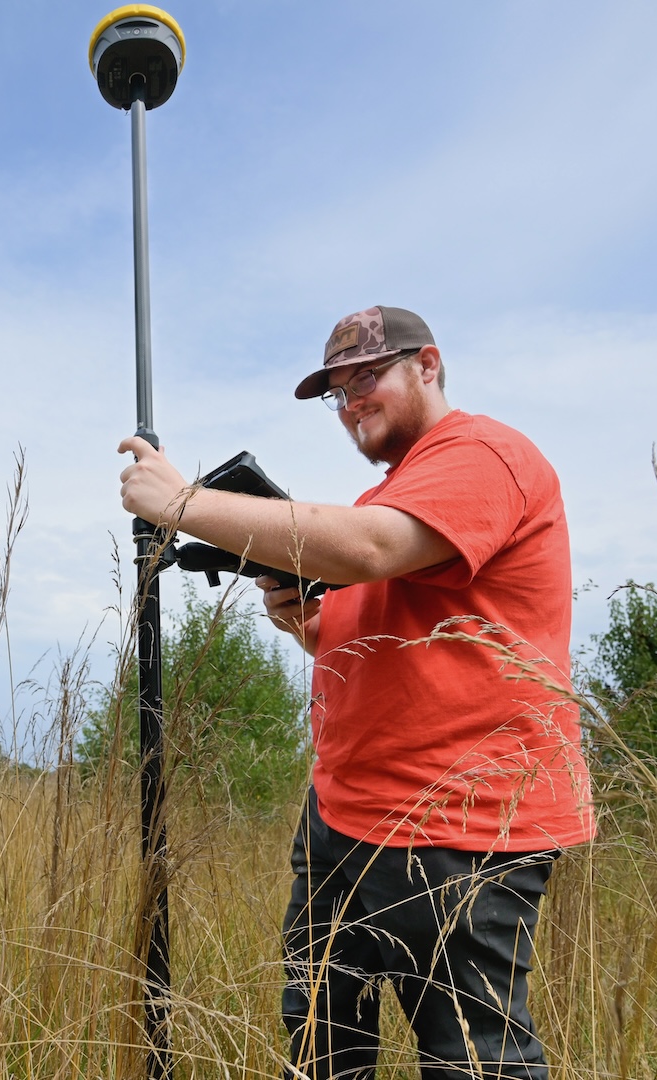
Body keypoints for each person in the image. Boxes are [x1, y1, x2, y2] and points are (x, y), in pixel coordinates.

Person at [118, 306, 592, 1079]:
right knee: (321, 1046)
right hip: (346, 818)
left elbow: (369, 548)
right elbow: (385, 633)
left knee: (475, 1062)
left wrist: (182, 503)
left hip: (458, 829)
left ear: (428, 366)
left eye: (367, 378)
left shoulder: (483, 455)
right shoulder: (401, 492)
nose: (351, 404)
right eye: (337, 393)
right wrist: (310, 624)